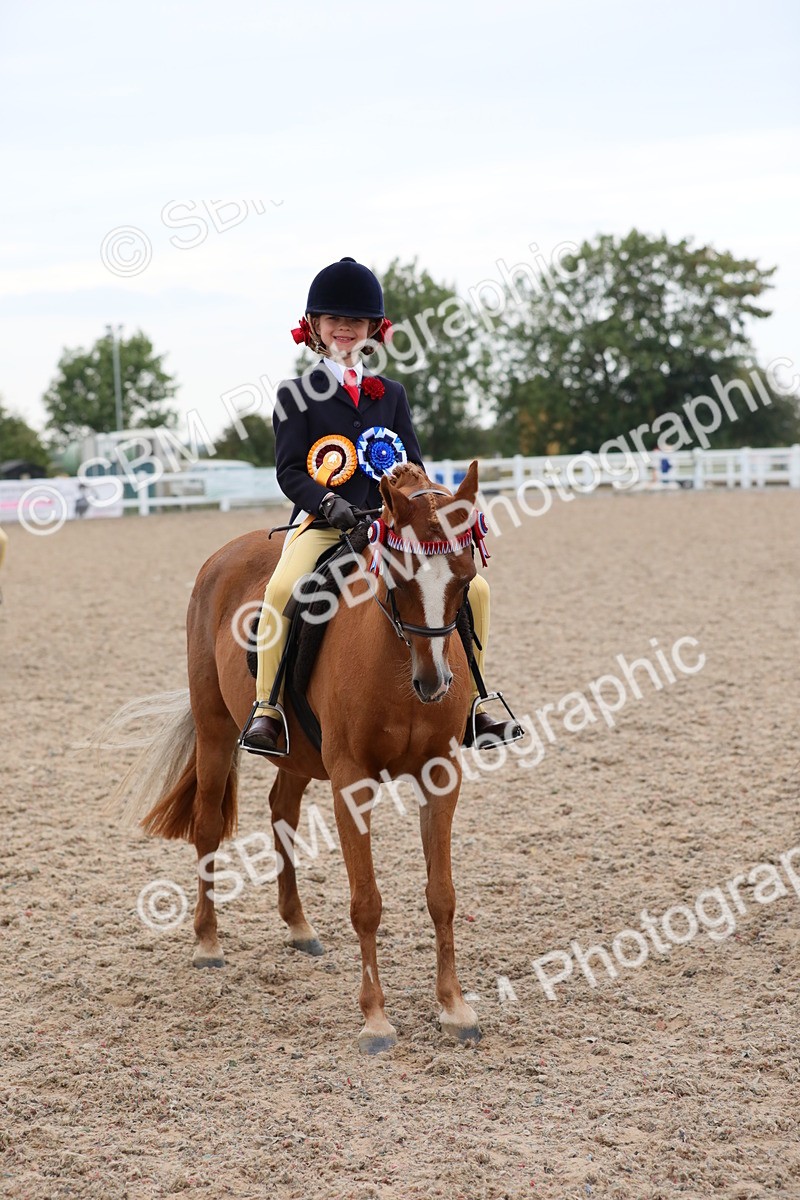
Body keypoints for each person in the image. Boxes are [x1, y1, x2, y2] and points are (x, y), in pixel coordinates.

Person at [239, 256, 513, 756]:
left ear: (372, 330)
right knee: (281, 588)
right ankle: (268, 710)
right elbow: (289, 471)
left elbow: (413, 465)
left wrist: (427, 510)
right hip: (324, 526)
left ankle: (475, 704)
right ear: (315, 329)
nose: (345, 329)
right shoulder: (294, 395)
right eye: (334, 321)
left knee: (478, 591)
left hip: (391, 530)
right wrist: (326, 502)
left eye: (356, 322)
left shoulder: (391, 394)